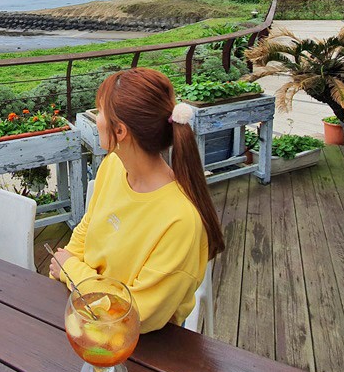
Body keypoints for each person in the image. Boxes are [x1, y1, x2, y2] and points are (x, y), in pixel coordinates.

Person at [49, 67, 225, 332]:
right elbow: (88, 226)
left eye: (100, 112)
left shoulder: (181, 220)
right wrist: (69, 261)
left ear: (120, 131)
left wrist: (72, 271)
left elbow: (135, 314)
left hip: (143, 344)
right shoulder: (113, 166)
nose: (97, 119)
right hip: (87, 313)